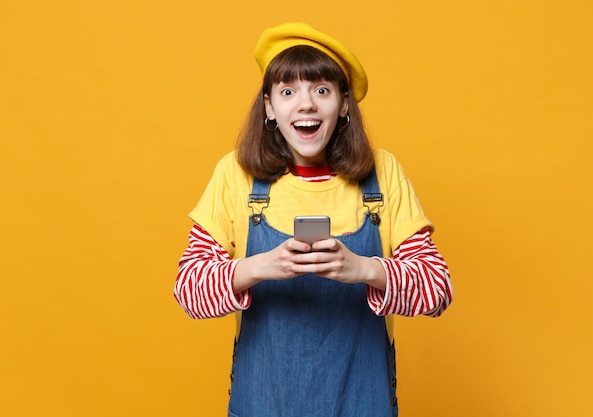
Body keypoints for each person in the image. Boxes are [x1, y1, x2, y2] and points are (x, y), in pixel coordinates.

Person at [174, 22, 453, 417]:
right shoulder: (235, 175)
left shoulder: (382, 174)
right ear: (269, 106)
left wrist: (363, 269)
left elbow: (437, 290)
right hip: (262, 406)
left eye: (321, 90)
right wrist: (259, 266)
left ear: (343, 104)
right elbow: (188, 290)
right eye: (288, 92)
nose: (305, 105)